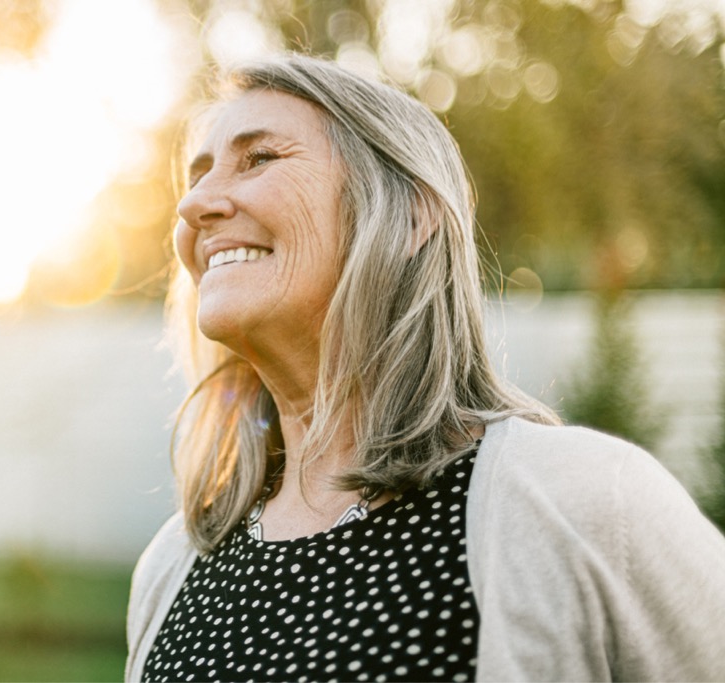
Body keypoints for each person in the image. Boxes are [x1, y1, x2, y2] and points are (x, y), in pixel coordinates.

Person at [126, 52, 725, 682]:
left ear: (410, 213)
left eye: (259, 158)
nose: (195, 203)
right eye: (197, 175)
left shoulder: (586, 502)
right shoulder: (174, 566)